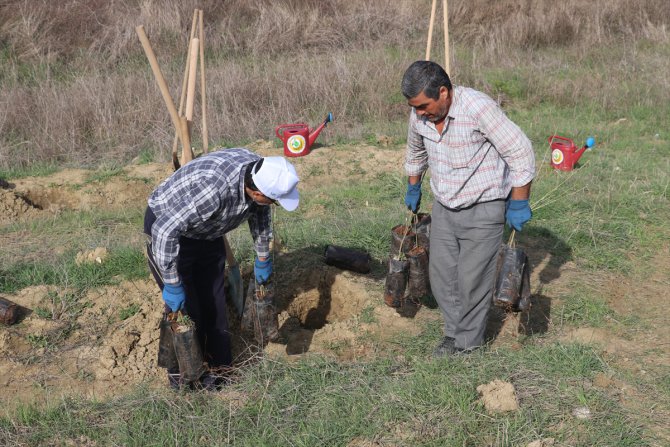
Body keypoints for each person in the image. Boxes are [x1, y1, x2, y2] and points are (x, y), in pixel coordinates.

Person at [401, 61, 535, 357]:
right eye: (415, 107)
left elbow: (520, 150)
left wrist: (519, 201)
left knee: (471, 280)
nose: (419, 113)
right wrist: (414, 186)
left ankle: (467, 344)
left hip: (484, 205)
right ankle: (453, 333)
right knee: (442, 276)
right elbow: (415, 151)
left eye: (423, 105)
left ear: (444, 92)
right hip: (445, 206)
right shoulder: (419, 116)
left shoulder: (477, 108)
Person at [143, 148, 300, 389]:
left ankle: (220, 371)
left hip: (206, 229)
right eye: (273, 200)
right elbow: (165, 230)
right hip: (168, 225)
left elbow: (260, 213)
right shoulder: (214, 190)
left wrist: (262, 258)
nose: (273, 204)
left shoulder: (259, 172)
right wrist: (173, 284)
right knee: (188, 308)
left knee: (214, 300)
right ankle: (185, 377)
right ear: (257, 192)